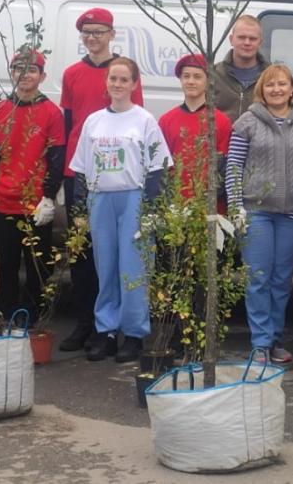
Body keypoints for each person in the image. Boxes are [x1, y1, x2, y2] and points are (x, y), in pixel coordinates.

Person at [69, 56, 170, 363]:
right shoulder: (94, 121)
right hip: (101, 199)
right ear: (107, 82)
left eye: (124, 79)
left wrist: (152, 210)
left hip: (133, 199)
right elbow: (81, 168)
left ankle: (135, 334)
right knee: (106, 266)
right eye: (113, 78)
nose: (117, 84)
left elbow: (157, 168)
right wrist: (79, 209)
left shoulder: (144, 121)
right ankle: (107, 331)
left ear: (134, 84)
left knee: (133, 268)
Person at [59, 8, 143, 353]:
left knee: (121, 258)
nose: (92, 37)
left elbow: (135, 127)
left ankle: (117, 329)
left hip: (119, 181)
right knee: (83, 257)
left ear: (112, 34)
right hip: (81, 174)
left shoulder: (121, 72)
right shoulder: (71, 74)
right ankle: (87, 324)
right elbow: (68, 125)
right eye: (87, 32)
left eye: (99, 31)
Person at [225, 64, 293, 363]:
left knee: (281, 279)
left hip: (292, 215)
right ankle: (260, 342)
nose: (276, 89)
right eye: (270, 85)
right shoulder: (247, 122)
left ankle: (276, 339)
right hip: (256, 212)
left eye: (282, 84)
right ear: (261, 90)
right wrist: (236, 205)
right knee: (258, 277)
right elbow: (234, 166)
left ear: (292, 89)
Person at [0, 50, 65, 324]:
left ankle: (34, 320)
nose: (25, 74)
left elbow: (56, 158)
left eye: (32, 70)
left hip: (35, 204)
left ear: (42, 76)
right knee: (5, 264)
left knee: (37, 266)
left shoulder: (52, 113)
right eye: (19, 68)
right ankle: (5, 315)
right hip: (3, 200)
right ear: (12, 73)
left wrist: (50, 197)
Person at [158, 53, 232, 203]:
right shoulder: (166, 120)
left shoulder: (220, 121)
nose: (191, 81)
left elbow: (223, 169)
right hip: (175, 206)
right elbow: (162, 166)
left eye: (197, 77)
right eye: (186, 76)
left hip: (208, 205)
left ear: (208, 80)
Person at [210, 15, 270, 123]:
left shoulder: (272, 76)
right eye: (241, 37)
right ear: (231, 39)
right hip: (222, 139)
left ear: (260, 42)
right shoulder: (213, 75)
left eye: (253, 39)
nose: (247, 42)